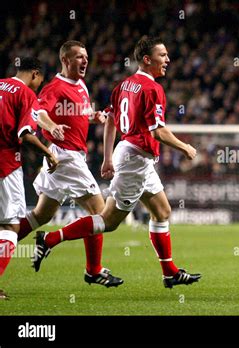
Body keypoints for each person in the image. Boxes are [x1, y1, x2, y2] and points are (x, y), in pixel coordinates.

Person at [33, 36, 201, 289]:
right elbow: (158, 132)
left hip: (134, 156)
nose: (167, 60)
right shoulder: (153, 89)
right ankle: (50, 239)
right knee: (108, 221)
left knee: (162, 211)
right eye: (162, 55)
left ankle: (170, 272)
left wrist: (108, 157)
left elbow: (110, 119)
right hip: (136, 159)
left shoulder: (125, 85)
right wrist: (185, 146)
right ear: (147, 60)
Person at [18, 41, 123, 287]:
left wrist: (94, 116)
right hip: (66, 156)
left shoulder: (81, 85)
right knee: (100, 214)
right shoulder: (55, 87)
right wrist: (52, 126)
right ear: (65, 60)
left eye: (86, 56)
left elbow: (81, 112)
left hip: (63, 156)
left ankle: (5, 240)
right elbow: (39, 114)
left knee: (40, 215)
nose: (85, 61)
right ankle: (92, 269)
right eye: (78, 57)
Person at [0, 57, 59, 299]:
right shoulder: (25, 94)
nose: (38, 86)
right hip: (5, 164)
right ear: (35, 74)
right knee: (10, 225)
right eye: (40, 80)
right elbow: (25, 134)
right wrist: (49, 153)